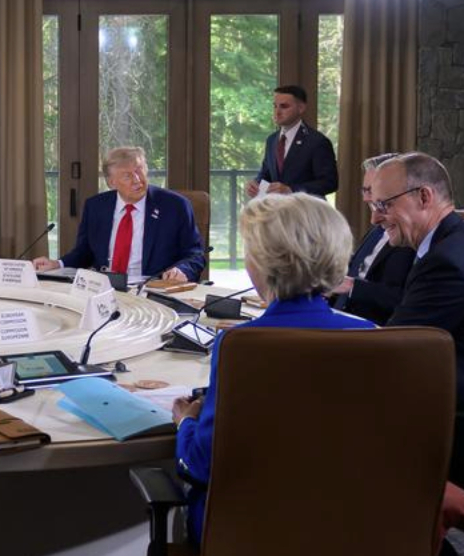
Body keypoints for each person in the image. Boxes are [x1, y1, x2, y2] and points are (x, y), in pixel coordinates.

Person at [171, 193, 374, 545]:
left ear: (264, 263)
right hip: (350, 528)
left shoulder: (241, 344)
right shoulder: (371, 336)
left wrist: (186, 421)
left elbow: (201, 465)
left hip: (247, 532)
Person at [374, 152, 464, 491]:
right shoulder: (462, 239)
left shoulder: (444, 263)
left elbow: (390, 351)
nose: (375, 217)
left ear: (424, 196)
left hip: (457, 431)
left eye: (384, 205)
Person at [32, 147, 205, 283]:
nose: (137, 179)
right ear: (111, 182)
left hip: (152, 288)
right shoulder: (96, 206)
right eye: (127, 176)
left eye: (139, 170)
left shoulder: (175, 206)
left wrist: (181, 270)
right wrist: (57, 264)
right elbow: (84, 252)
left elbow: (195, 255)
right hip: (104, 286)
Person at [329, 153, 416, 324]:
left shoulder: (409, 235)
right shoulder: (377, 228)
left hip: (370, 328)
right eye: (365, 190)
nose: (367, 198)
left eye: (371, 190)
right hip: (336, 313)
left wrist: (351, 286)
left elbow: (402, 299)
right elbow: (359, 265)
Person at [245, 85, 338, 198]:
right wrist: (255, 184)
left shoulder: (317, 142)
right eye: (275, 106)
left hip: (305, 207)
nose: (277, 112)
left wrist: (291, 190)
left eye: (284, 106)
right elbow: (266, 174)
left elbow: (330, 183)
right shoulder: (271, 140)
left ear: (301, 108)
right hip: (276, 206)